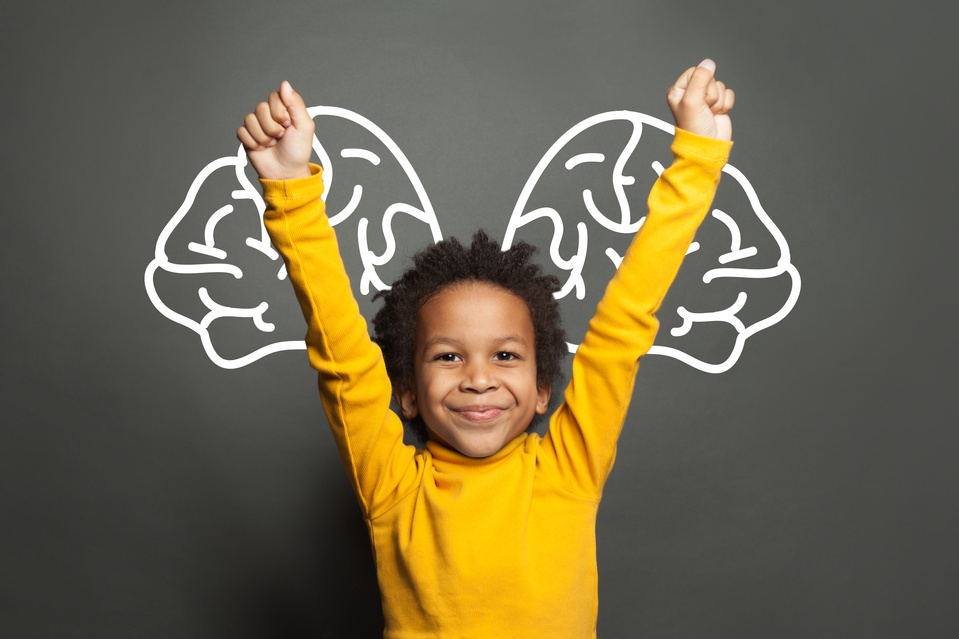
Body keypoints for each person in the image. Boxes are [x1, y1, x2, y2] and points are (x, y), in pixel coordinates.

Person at [238, 60, 734, 638]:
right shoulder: (394, 489)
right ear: (407, 393)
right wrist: (290, 190)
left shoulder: (568, 470)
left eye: (506, 356)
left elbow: (624, 323)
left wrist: (697, 158)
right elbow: (342, 353)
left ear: (543, 388)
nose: (478, 378)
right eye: (448, 356)